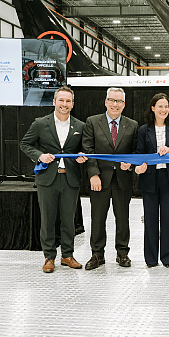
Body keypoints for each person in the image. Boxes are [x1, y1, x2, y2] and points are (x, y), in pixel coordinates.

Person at [20, 86, 87, 273]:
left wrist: (82, 155)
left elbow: (84, 149)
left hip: (70, 179)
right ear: (54, 102)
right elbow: (25, 144)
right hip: (47, 179)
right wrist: (40, 155)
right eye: (61, 100)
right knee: (47, 220)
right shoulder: (41, 123)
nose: (64, 104)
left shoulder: (80, 126)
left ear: (72, 104)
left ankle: (67, 255)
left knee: (68, 220)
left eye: (68, 101)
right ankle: (49, 257)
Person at [82, 87, 138, 270]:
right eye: (112, 100)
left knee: (123, 219)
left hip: (123, 179)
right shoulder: (92, 122)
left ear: (124, 104)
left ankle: (122, 253)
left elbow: (135, 151)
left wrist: (129, 163)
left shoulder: (132, 125)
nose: (115, 104)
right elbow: (88, 150)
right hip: (100, 179)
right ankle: (97, 254)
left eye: (119, 101)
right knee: (98, 218)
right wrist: (94, 174)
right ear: (106, 102)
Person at [135, 93, 169, 268]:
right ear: (153, 108)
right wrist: (138, 167)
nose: (164, 110)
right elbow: (139, 154)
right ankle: (150, 259)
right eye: (160, 106)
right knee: (150, 220)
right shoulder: (143, 130)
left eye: (166, 106)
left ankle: (168, 258)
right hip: (149, 179)